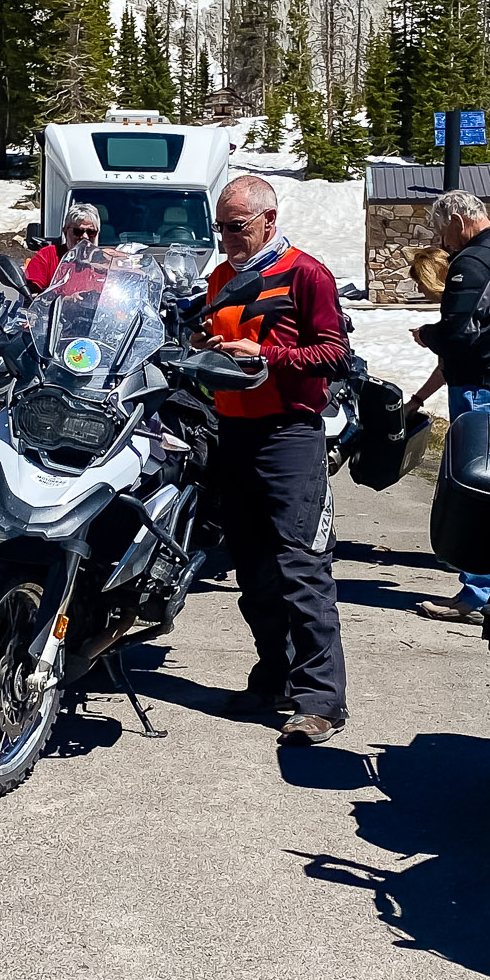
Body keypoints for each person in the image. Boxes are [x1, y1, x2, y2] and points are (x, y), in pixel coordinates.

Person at [197, 174, 354, 746]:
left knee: (301, 565)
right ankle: (274, 676)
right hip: (233, 433)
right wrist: (205, 349)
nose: (226, 239)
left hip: (290, 435)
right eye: (220, 228)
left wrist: (263, 353)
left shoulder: (306, 273)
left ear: (268, 218)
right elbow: (214, 338)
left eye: (235, 228)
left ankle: (320, 700)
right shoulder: (221, 278)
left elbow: (334, 353)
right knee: (253, 570)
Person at [406, 189, 490, 622]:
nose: (442, 241)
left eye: (442, 229)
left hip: (484, 390)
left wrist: (428, 334)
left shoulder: (473, 261)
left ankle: (476, 596)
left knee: (478, 494)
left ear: (460, 219)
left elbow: (459, 333)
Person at [22, 202, 101, 289]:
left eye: (91, 232)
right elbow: (30, 294)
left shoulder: (105, 262)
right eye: (78, 231)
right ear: (65, 231)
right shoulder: (47, 256)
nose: (85, 237)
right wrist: (63, 298)